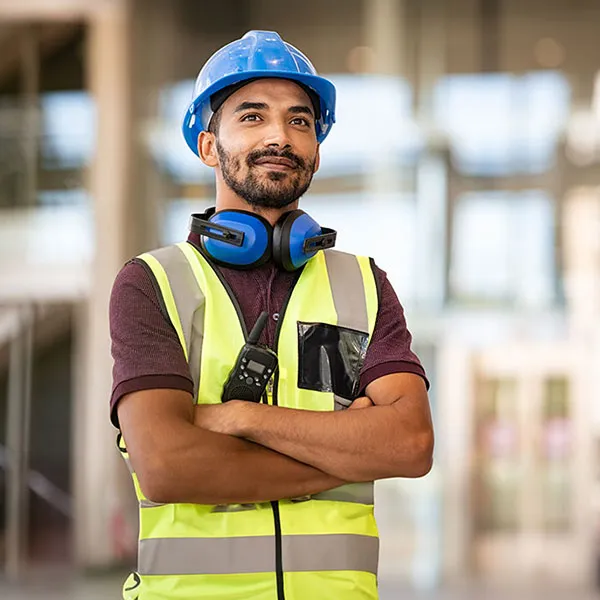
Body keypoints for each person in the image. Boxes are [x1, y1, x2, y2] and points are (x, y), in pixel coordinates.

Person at [110, 30, 434, 600]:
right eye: (253, 117)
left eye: (300, 121)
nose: (280, 136)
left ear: (316, 148)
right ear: (209, 146)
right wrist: (348, 457)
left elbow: (409, 445)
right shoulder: (151, 282)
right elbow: (165, 466)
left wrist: (241, 419)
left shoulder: (362, 283)